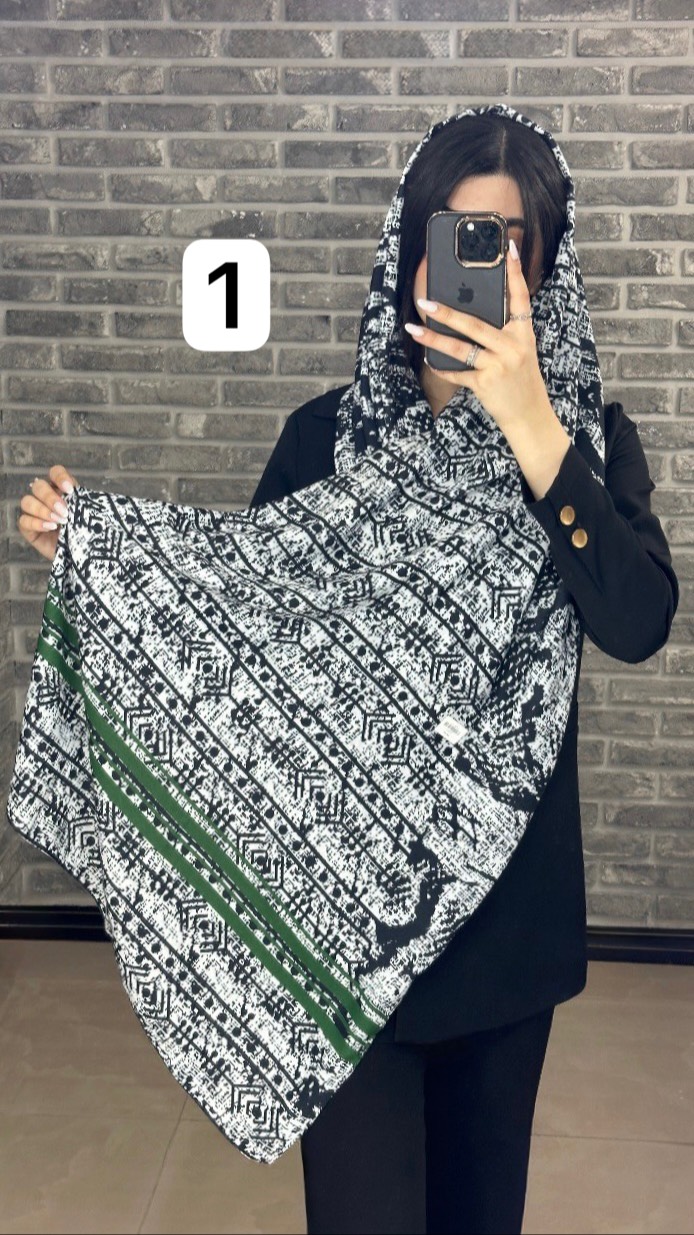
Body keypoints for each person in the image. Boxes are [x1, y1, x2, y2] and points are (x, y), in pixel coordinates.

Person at [17, 108, 679, 1235]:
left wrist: (533, 428)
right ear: (407, 253)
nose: (482, 264)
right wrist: (107, 560)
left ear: (546, 267)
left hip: (505, 946)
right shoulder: (324, 441)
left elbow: (638, 620)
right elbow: (245, 645)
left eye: (509, 242)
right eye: (455, 235)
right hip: (334, 939)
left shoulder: (587, 445)